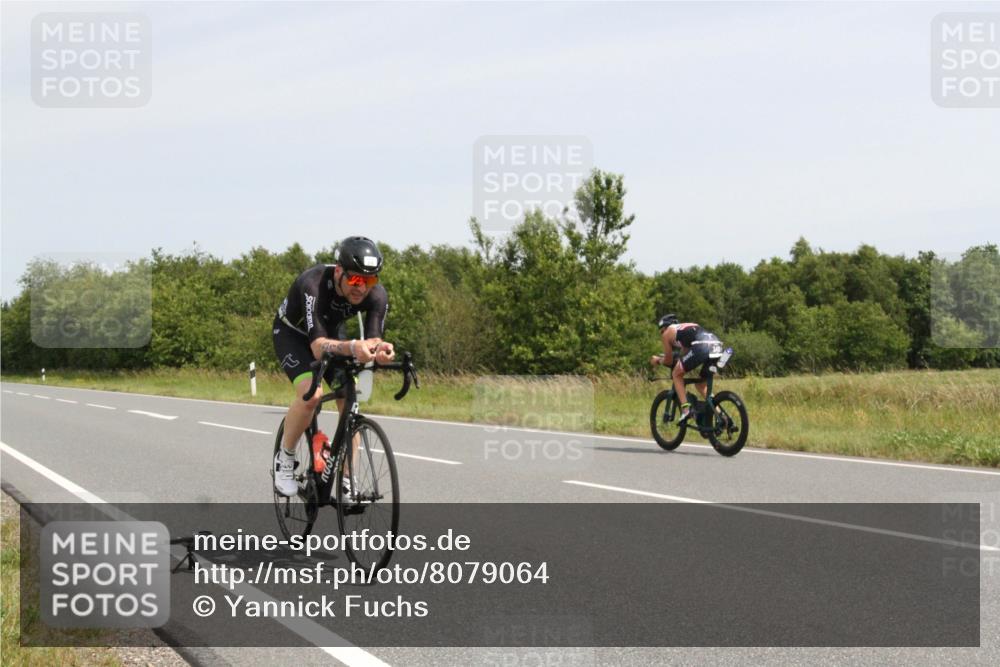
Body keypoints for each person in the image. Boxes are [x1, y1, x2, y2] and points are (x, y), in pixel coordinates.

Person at [272, 236, 395, 496]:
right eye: (356, 280)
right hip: (293, 335)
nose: (362, 288)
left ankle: (348, 482)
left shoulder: (377, 296)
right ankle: (285, 459)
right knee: (311, 396)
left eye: (370, 280)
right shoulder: (313, 283)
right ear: (339, 271)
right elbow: (317, 347)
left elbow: (373, 340)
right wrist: (352, 347)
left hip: (331, 333)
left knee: (350, 401)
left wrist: (380, 351)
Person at [650, 314, 724, 424]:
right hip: (717, 345)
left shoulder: (667, 333)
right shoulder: (686, 329)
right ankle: (721, 416)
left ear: (666, 327)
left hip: (702, 347)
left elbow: (669, 361)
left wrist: (658, 360)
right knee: (701, 385)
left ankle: (686, 410)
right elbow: (684, 355)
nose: (662, 334)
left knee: (676, 375)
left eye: (661, 330)